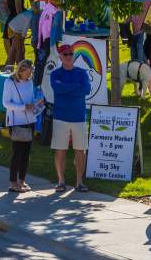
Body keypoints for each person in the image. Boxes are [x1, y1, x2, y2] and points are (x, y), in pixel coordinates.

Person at [51, 44, 91, 192]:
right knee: (60, 151)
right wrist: (75, 86)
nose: (69, 57)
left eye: (71, 54)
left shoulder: (82, 73)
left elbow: (86, 90)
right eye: (66, 54)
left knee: (80, 150)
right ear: (60, 57)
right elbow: (57, 88)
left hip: (79, 117)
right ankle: (61, 181)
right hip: (60, 117)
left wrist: (66, 87)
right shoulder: (55, 74)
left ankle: (79, 182)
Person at [3, 59, 41, 193]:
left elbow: (31, 101)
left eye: (31, 73)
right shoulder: (10, 82)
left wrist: (37, 105)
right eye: (27, 73)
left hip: (29, 121)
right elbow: (6, 103)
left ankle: (22, 180)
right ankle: (13, 182)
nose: (29, 76)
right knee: (17, 154)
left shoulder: (30, 82)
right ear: (20, 70)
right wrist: (23, 107)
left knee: (26, 154)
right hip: (15, 122)